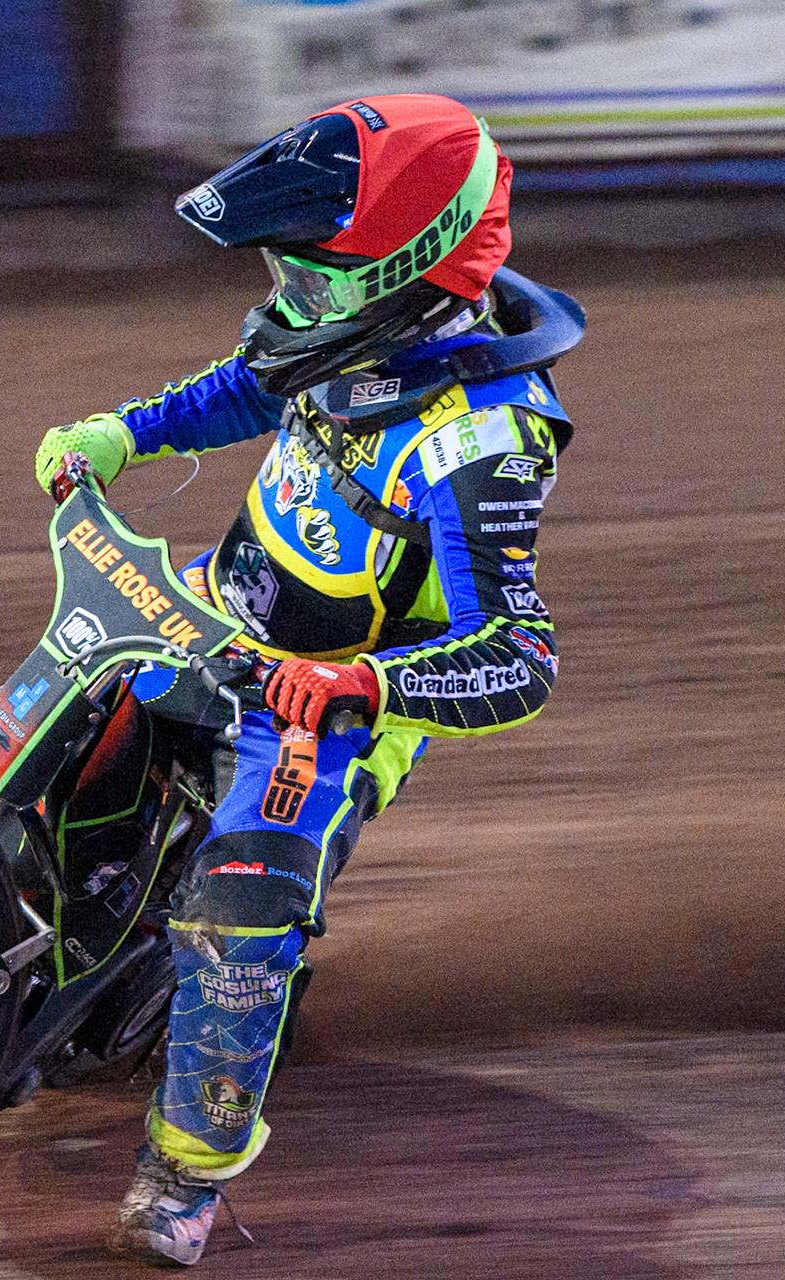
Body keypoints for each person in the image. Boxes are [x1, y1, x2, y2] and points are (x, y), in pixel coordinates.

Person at [30, 93, 580, 1266]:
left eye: (317, 280)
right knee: (18, 733)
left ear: (412, 270)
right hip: (209, 607)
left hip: (328, 707)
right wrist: (123, 435)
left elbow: (520, 658)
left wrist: (362, 694)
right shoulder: (342, 337)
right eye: (287, 270)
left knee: (241, 907)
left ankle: (184, 1174)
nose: (292, 298)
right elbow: (250, 385)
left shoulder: (481, 441)